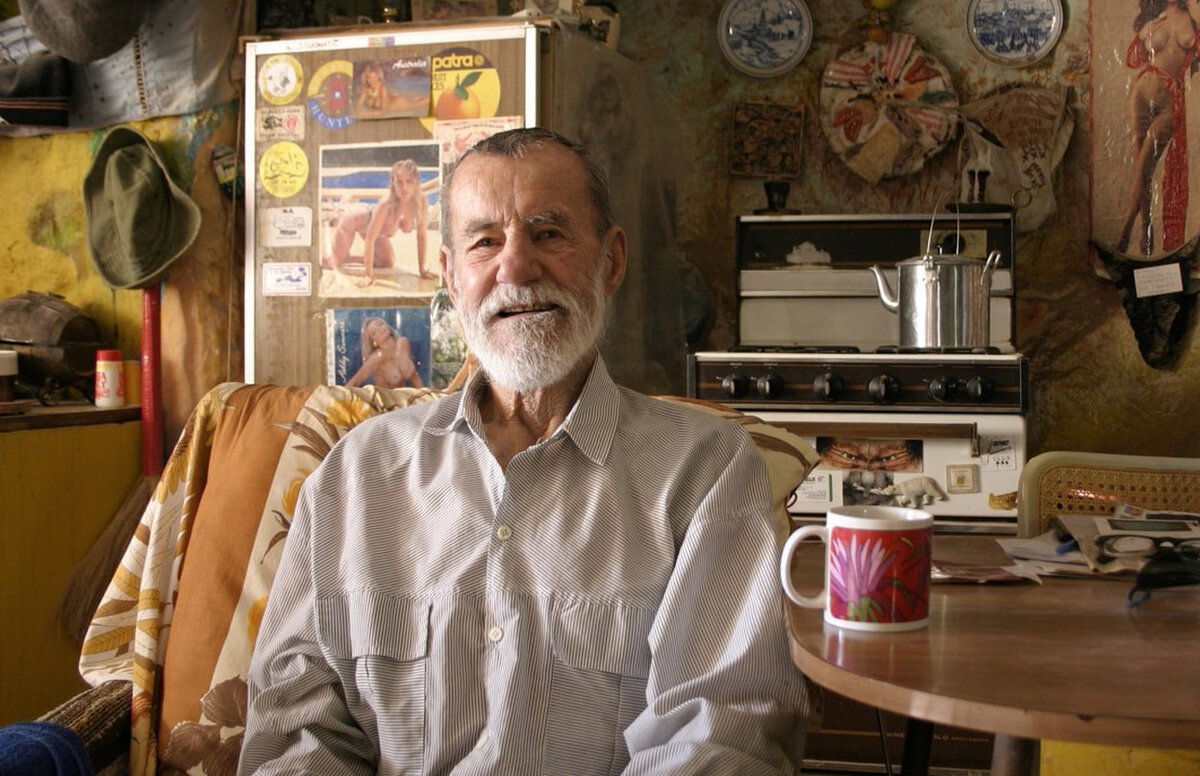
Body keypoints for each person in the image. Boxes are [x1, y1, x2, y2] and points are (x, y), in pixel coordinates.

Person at [239, 128, 807, 775]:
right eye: (485, 242)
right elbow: (296, 728)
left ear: (611, 261)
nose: (515, 268)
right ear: (451, 277)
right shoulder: (358, 473)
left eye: (549, 233)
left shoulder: (704, 469)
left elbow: (720, 737)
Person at [1116, 0, 1200, 254]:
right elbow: (1135, 57)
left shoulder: (1193, 15)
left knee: (1144, 165)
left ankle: (1125, 231)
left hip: (1169, 102)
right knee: (1140, 168)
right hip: (1141, 92)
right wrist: (1146, 30)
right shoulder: (1156, 14)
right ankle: (1146, 230)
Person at [322, 158, 436, 286]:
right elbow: (370, 239)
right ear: (393, 183)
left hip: (375, 228)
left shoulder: (420, 201)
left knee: (387, 263)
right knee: (332, 263)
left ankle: (347, 258)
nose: (404, 187)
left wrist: (422, 270)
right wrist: (368, 275)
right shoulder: (387, 204)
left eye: (408, 181)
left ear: (416, 182)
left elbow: (421, 236)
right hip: (353, 221)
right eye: (399, 182)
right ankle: (339, 229)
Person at [345, 315, 424, 389]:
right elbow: (354, 382)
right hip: (383, 398)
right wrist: (341, 397)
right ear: (374, 342)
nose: (380, 330)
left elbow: (414, 377)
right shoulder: (377, 357)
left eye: (379, 325)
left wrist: (425, 396)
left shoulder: (403, 343)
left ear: (386, 326)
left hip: (403, 397)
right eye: (374, 333)